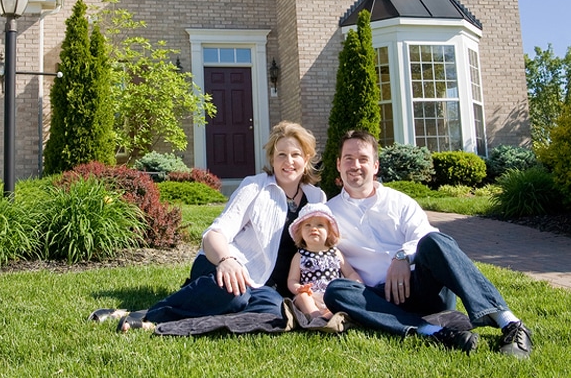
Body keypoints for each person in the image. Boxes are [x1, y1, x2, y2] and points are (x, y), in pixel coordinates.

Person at [90, 120, 326, 332]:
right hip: (225, 266)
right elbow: (215, 233)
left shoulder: (316, 198)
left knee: (273, 312)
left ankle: (193, 307)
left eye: (296, 154)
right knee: (235, 296)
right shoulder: (255, 187)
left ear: (306, 160)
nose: (288, 161)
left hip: (266, 287)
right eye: (281, 155)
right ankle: (149, 314)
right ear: (272, 160)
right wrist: (226, 261)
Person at [323, 130, 533, 358]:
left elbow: (424, 234)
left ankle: (510, 324)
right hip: (377, 299)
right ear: (338, 164)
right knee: (336, 291)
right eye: (349, 158)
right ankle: (435, 332)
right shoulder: (328, 214)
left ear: (375, 166)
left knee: (435, 241)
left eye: (363, 159)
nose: (355, 165)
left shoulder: (400, 202)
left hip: (422, 288)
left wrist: (403, 256)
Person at [287, 202, 361, 320]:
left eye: (320, 225)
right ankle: (316, 317)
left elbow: (350, 273)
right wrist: (298, 288)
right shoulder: (300, 255)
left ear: (329, 232)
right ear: (300, 232)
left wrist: (357, 283)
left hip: (332, 296)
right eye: (307, 225)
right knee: (302, 297)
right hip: (311, 296)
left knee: (343, 298)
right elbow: (292, 279)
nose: (313, 228)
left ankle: (328, 317)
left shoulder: (335, 253)